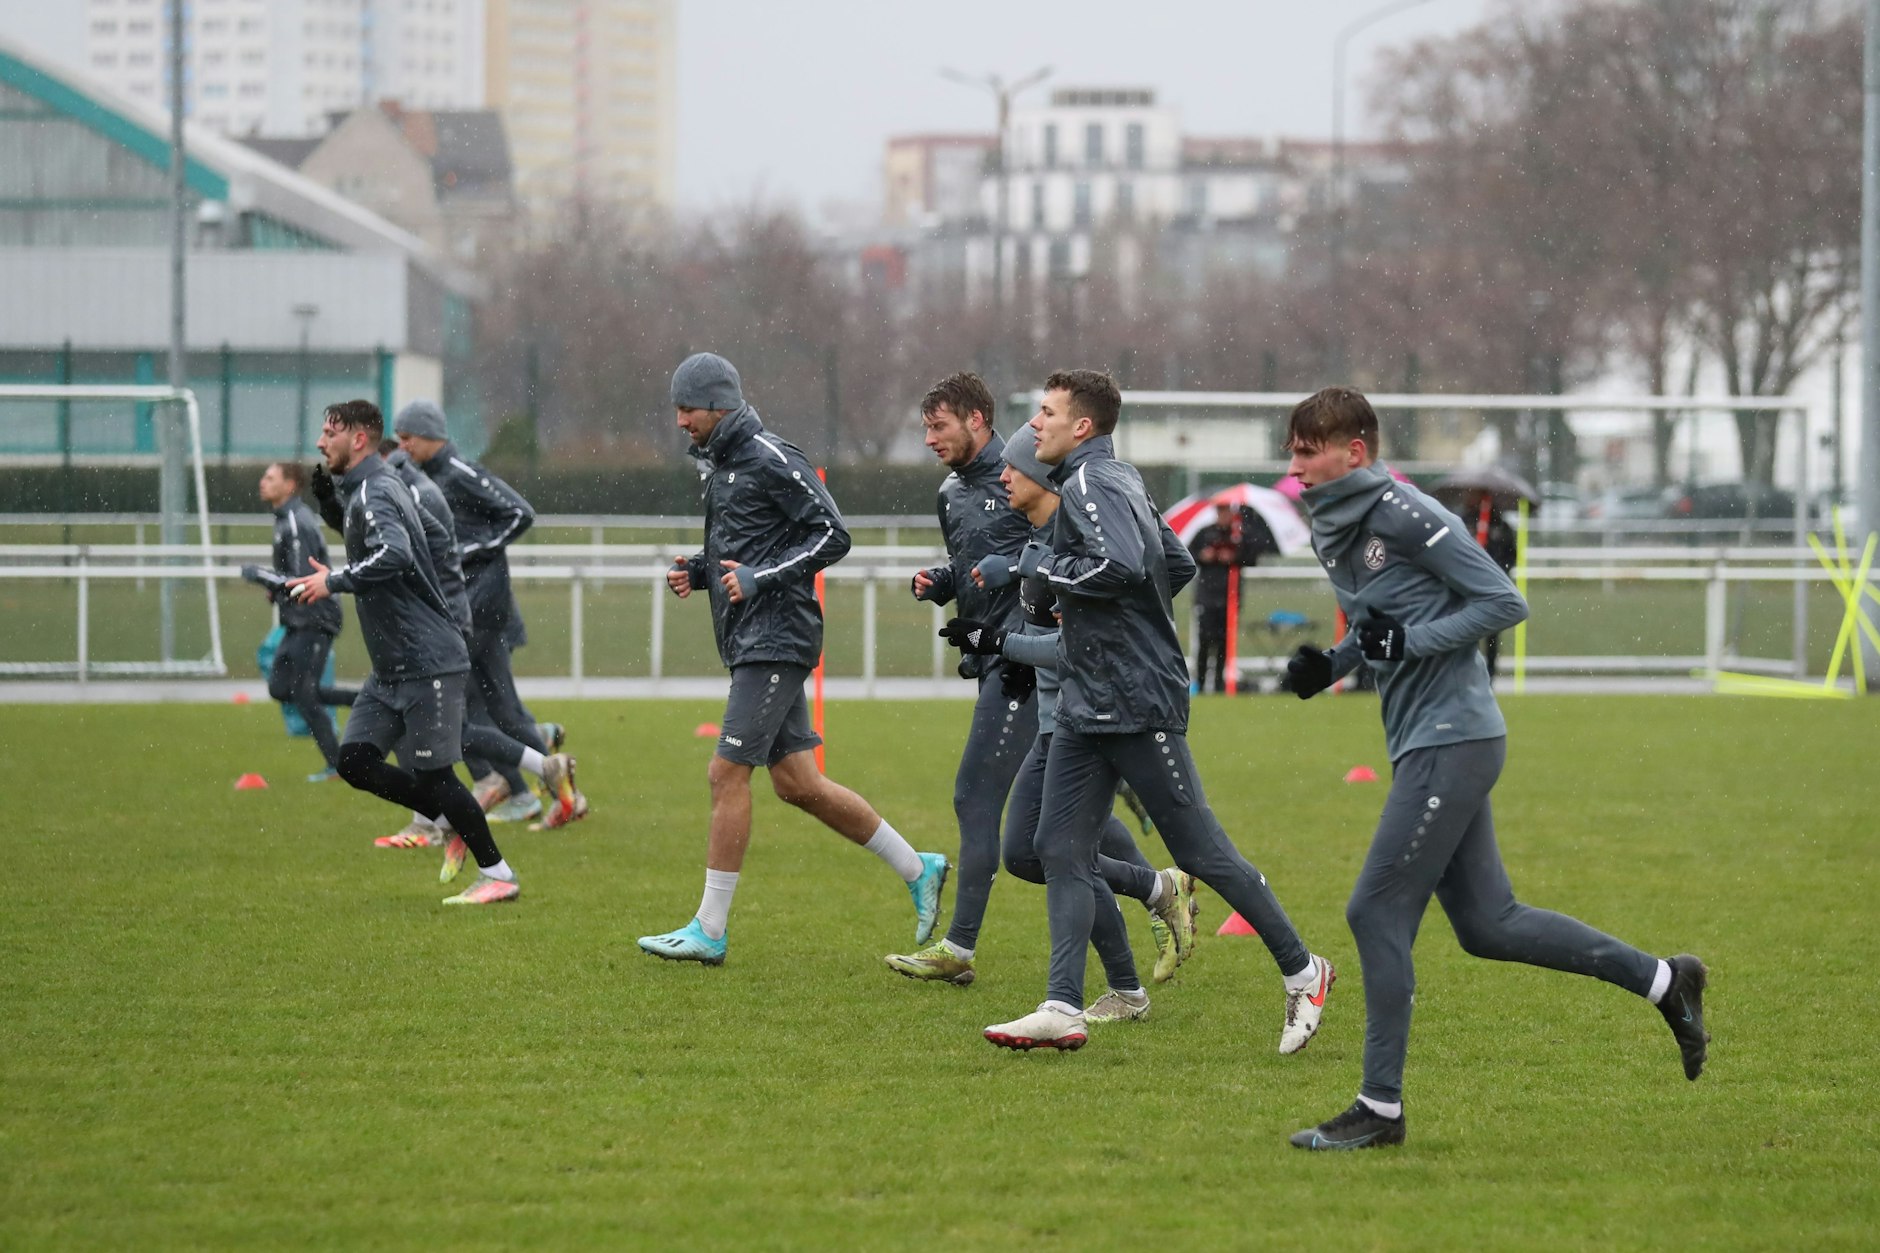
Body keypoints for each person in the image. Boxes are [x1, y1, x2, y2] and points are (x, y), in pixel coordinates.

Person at [1280, 386, 1708, 1151]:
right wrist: (1335, 661)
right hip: (1425, 739)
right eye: (1293, 448)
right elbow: (1383, 620)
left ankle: (1379, 1110)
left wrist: (1401, 647)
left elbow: (1504, 602)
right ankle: (1666, 981)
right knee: (1487, 924)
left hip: (1455, 737)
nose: (1296, 461)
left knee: (1374, 912)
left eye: (1310, 448)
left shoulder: (1404, 512)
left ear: (1357, 452)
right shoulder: (1331, 524)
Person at [980, 369, 1334, 1052]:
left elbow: (1123, 565)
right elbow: (1173, 564)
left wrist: (1043, 577)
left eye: (1047, 412)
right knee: (1056, 846)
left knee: (1202, 851)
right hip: (1093, 695)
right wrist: (1094, 614)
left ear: (1081, 426)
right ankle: (1061, 1005)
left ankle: (1303, 968)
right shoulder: (1120, 478)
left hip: (1132, 698)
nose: (1035, 424)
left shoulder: (1087, 483)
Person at [638, 352, 948, 965]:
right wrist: (700, 572)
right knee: (799, 784)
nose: (678, 421)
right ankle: (920, 867)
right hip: (753, 636)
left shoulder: (771, 456)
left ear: (717, 405)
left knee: (726, 774)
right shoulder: (722, 465)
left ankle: (710, 929)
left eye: (686, 408)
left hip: (776, 637)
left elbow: (834, 534)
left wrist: (759, 581)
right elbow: (748, 548)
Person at [937, 424, 1198, 1018]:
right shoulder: (1037, 541)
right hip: (1064, 716)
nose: (1003, 475)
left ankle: (1289, 962)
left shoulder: (1077, 538)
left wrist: (999, 641)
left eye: (1014, 468)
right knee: (1041, 854)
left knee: (1068, 853)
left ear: (1041, 476)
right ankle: (1146, 928)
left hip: (1086, 719)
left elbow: (1067, 644)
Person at [285, 400, 519, 906]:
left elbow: (395, 553)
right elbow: (371, 538)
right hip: (393, 665)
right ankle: (448, 821)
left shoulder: (378, 487)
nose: (321, 442)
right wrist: (331, 508)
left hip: (427, 659)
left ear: (360, 439)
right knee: (355, 761)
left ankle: (499, 873)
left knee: (435, 774)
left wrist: (334, 581)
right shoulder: (366, 489)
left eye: (331, 433)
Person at [884, 373, 1038, 986]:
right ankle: (1160, 888)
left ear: (977, 420)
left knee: (975, 798)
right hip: (990, 659)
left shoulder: (1028, 475)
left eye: (938, 425)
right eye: (925, 428)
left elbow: (1060, 557)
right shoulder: (950, 492)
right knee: (1059, 811)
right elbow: (968, 564)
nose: (928, 439)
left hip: (1027, 664)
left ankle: (959, 949)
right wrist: (944, 582)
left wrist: (1018, 575)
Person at [393, 400, 552, 825]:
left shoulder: (459, 472)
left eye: (407, 438)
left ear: (431, 435)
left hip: (479, 608)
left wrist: (469, 552)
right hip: (470, 608)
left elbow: (520, 513)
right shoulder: (425, 477)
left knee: (445, 709)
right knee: (497, 708)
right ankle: (544, 780)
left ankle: (499, 786)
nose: (402, 447)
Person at [255, 461, 355, 781]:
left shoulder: (297, 522)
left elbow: (299, 577)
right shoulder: (286, 519)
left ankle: (338, 766)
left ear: (290, 485)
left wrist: (261, 577)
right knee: (282, 687)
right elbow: (291, 580)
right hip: (298, 619)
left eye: (270, 478)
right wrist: (278, 593)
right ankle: (366, 700)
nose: (263, 482)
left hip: (314, 617)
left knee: (305, 692)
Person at [1187, 501, 1243, 694]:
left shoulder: (1238, 535)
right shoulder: (1204, 533)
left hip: (1230, 596)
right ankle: (1201, 684)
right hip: (1207, 596)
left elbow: (1251, 555)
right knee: (1205, 640)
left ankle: (1219, 684)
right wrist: (1204, 556)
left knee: (1224, 642)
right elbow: (1188, 554)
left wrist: (1234, 557)